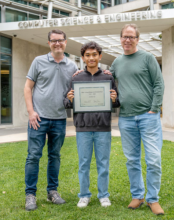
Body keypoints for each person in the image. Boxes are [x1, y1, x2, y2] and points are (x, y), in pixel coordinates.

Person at [108, 24, 165, 215]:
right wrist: (81, 75)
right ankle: (138, 196)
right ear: (121, 38)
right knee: (132, 160)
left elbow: (159, 84)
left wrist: (154, 109)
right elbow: (106, 81)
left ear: (137, 39)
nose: (127, 40)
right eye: (125, 36)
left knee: (153, 159)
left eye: (131, 37)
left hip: (148, 117)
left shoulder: (147, 58)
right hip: (125, 118)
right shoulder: (116, 62)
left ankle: (153, 199)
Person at [24, 29, 78, 211]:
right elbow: (27, 88)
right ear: (49, 43)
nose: (57, 43)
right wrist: (31, 112)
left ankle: (52, 192)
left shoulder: (72, 66)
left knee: (55, 156)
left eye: (60, 40)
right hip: (38, 119)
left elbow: (81, 85)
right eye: (53, 41)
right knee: (33, 156)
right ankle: (30, 195)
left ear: (65, 42)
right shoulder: (38, 61)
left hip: (60, 119)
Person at [63, 41, 120, 208]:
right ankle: (84, 195)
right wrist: (70, 99)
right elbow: (66, 102)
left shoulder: (108, 77)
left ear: (100, 56)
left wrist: (115, 99)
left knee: (103, 163)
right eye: (87, 55)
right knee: (84, 163)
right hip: (83, 128)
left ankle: (103, 195)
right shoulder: (76, 77)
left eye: (94, 55)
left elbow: (117, 103)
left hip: (103, 127)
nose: (91, 58)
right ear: (83, 58)